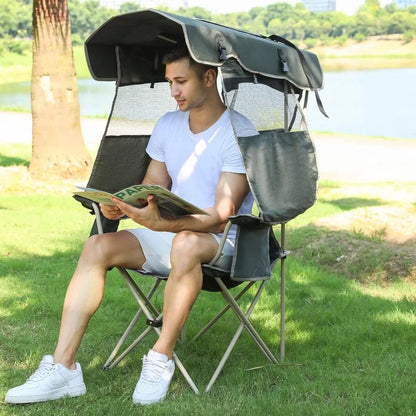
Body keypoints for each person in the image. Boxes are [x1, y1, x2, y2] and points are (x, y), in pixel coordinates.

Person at [5, 45, 257, 406]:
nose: (174, 91)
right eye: (169, 82)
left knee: (186, 241)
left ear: (209, 77)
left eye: (181, 81)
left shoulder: (237, 131)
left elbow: (221, 215)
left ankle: (160, 357)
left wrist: (163, 225)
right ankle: (64, 368)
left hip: (224, 242)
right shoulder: (168, 124)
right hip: (173, 234)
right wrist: (125, 208)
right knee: (97, 246)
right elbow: (154, 187)